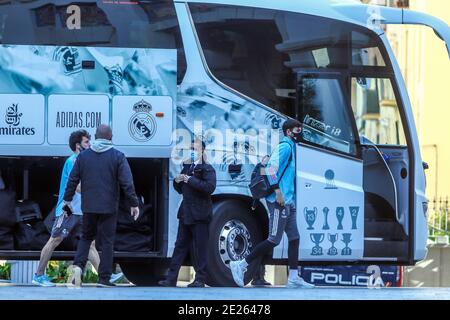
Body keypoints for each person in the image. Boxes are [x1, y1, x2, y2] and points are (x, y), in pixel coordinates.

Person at [32, 130, 123, 287]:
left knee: (90, 244)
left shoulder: (81, 160)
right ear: (78, 145)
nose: (90, 145)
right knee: (55, 240)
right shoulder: (74, 161)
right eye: (87, 142)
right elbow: (75, 187)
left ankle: (104, 274)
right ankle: (38, 275)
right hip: (69, 210)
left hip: (81, 210)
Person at [230, 119, 314, 288]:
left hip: (288, 201)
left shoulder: (292, 146)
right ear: (289, 132)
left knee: (295, 238)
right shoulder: (285, 147)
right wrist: (277, 192)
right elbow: (269, 170)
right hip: (279, 201)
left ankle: (293, 277)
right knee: (274, 239)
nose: (301, 132)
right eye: (298, 130)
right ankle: (240, 264)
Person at [64, 124, 139, 288]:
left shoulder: (83, 157)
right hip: (109, 207)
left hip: (89, 206)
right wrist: (134, 203)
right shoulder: (118, 156)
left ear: (95, 137)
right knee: (107, 242)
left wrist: (67, 199)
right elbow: (127, 182)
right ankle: (104, 279)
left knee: (86, 238)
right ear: (111, 137)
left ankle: (77, 269)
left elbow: (73, 179)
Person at [158, 138, 216, 288]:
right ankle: (171, 279)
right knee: (180, 246)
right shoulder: (187, 166)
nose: (192, 151)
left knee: (200, 248)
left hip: (201, 214)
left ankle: (200, 279)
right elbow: (180, 189)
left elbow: (209, 187)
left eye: (195, 149)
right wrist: (177, 181)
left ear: (202, 151)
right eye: (191, 148)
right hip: (186, 213)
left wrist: (190, 180)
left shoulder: (207, 168)